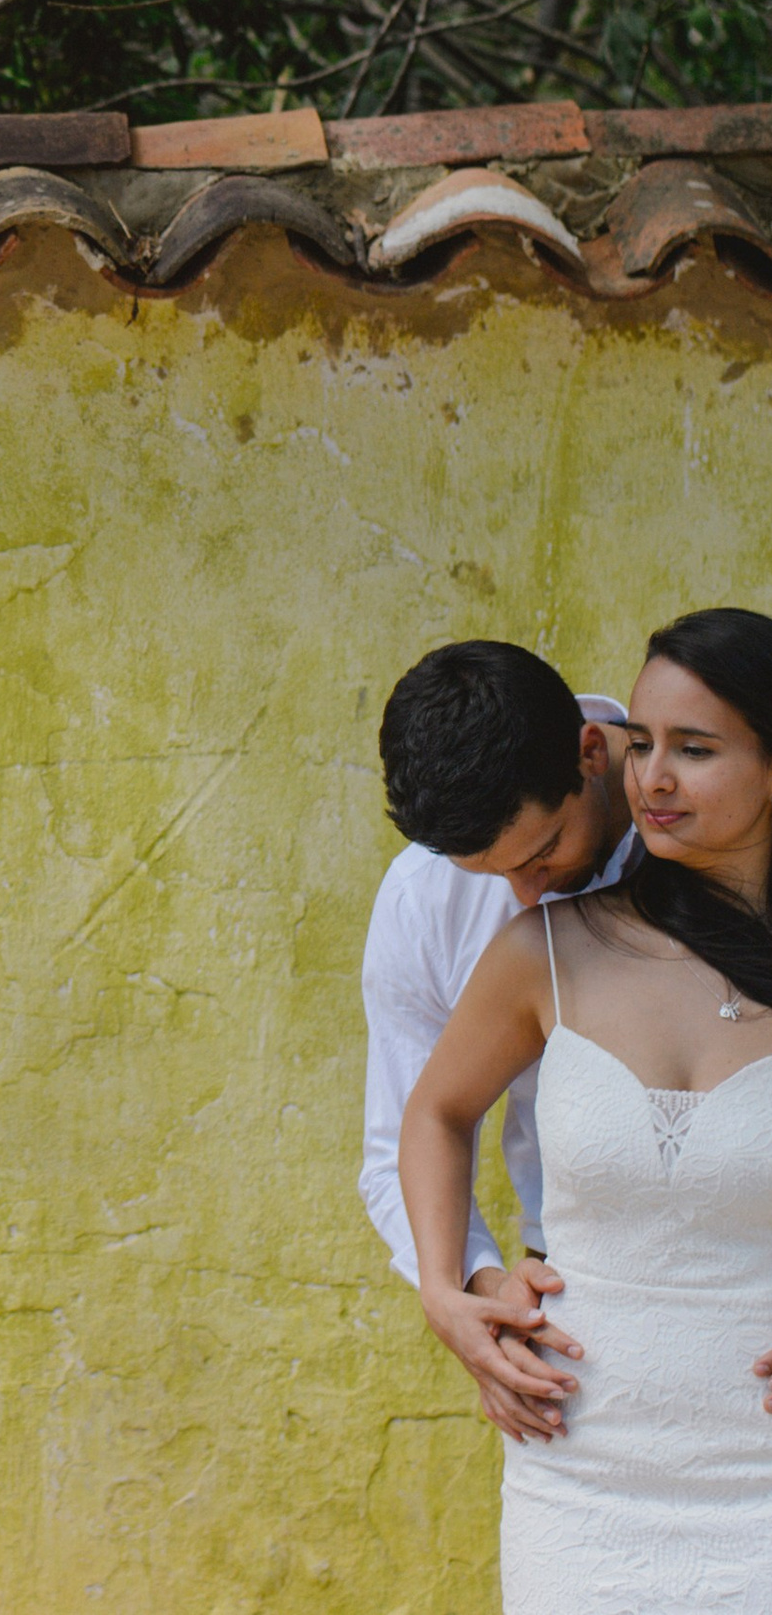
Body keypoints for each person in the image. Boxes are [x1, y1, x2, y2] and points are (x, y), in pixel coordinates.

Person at [401, 609, 772, 1613]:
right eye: (644, 743)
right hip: (579, 1467)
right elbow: (428, 1110)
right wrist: (447, 1283)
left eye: (692, 749)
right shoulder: (544, 947)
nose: (651, 778)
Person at [362, 643, 632, 1437]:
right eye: (492, 877)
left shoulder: (724, 809)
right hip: (569, 1300)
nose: (523, 897)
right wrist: (478, 1293)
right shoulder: (422, 901)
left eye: (543, 853)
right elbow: (400, 1142)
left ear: (589, 753)